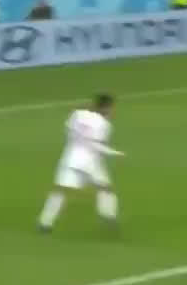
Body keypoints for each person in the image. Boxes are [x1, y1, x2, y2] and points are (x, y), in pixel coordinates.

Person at [39, 94, 124, 233]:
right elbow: (96, 145)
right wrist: (113, 153)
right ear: (106, 108)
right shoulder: (104, 124)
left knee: (61, 190)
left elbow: (68, 129)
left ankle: (45, 222)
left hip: (70, 157)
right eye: (112, 108)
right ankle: (108, 214)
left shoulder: (77, 114)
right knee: (105, 188)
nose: (113, 111)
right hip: (90, 161)